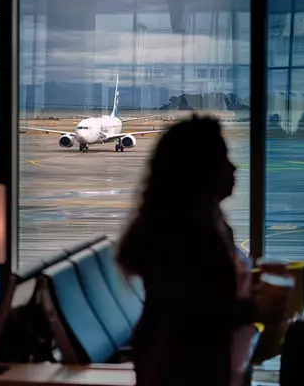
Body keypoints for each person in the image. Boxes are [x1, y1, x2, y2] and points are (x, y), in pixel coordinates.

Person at [117, 115, 281, 386]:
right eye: (223, 159)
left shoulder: (201, 225)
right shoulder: (189, 237)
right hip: (183, 371)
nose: (233, 168)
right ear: (200, 170)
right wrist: (261, 309)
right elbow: (202, 318)